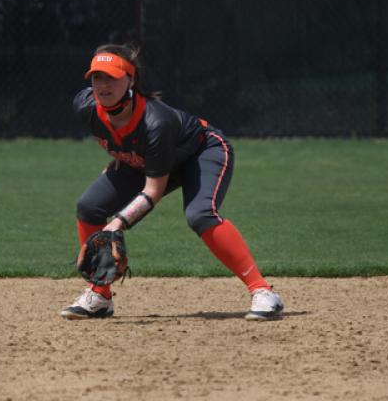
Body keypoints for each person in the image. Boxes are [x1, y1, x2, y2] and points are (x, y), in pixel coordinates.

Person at [60, 43, 284, 321]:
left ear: (131, 80)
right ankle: (100, 295)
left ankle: (263, 292)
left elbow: (152, 192)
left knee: (200, 215)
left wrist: (116, 224)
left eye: (112, 78)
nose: (103, 85)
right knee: (89, 205)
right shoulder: (86, 106)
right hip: (146, 160)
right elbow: (118, 137)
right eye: (97, 77)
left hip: (201, 152)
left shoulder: (156, 121)